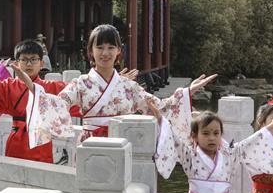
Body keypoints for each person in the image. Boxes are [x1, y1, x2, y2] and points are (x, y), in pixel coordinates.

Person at [16, 24, 216, 149]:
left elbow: (160, 106)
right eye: (99, 47)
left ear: (119, 51)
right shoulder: (81, 84)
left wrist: (187, 93)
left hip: (124, 144)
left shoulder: (130, 86)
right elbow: (58, 104)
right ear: (90, 51)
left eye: (111, 47)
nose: (105, 52)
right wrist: (36, 91)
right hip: (90, 146)